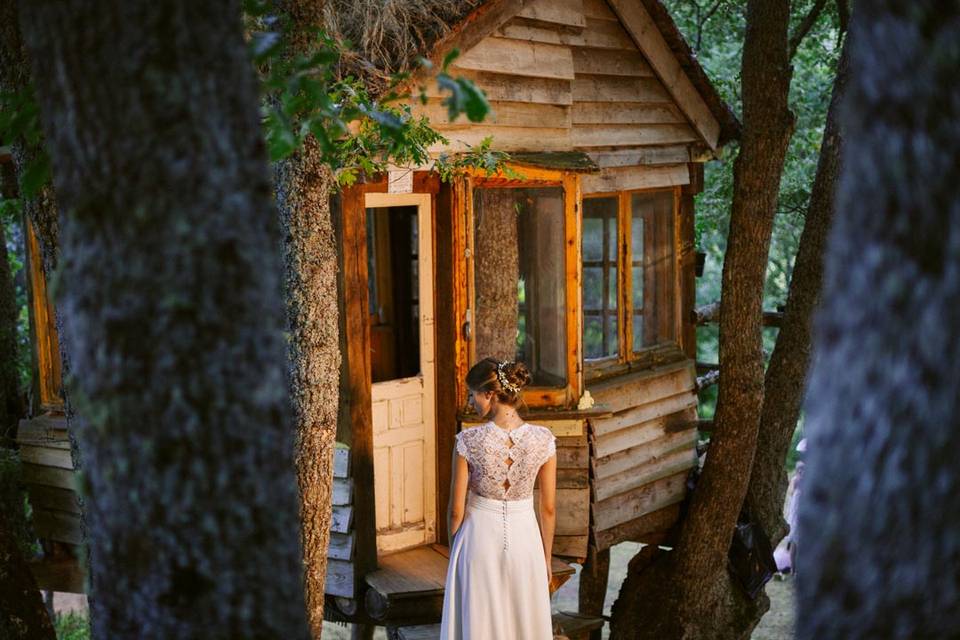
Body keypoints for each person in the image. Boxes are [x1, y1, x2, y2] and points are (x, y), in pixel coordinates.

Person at [439, 357, 557, 639]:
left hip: (478, 540)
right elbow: (549, 508)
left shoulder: (468, 440)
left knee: (479, 622)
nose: (471, 402)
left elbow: (456, 510)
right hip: (526, 542)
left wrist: (455, 550)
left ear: (490, 395)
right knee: (523, 621)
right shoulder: (544, 439)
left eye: (473, 395)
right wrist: (547, 560)